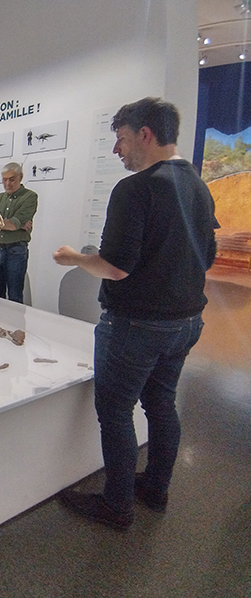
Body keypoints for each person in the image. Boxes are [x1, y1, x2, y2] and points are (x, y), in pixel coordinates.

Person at [52, 97, 217, 530]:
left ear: (145, 134)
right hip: (187, 323)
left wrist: (74, 257)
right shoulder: (199, 186)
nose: (117, 150)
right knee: (162, 403)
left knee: (115, 411)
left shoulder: (136, 189)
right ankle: (156, 489)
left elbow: (116, 267)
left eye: (121, 140)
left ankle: (117, 504)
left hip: (136, 325)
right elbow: (209, 255)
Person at [0, 162, 38, 303]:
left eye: (12, 179)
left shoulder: (30, 197)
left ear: (20, 177)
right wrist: (18, 225)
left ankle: (14, 325)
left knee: (15, 296)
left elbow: (9, 224)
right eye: (4, 179)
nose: (7, 184)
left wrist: (13, 224)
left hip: (15, 251)